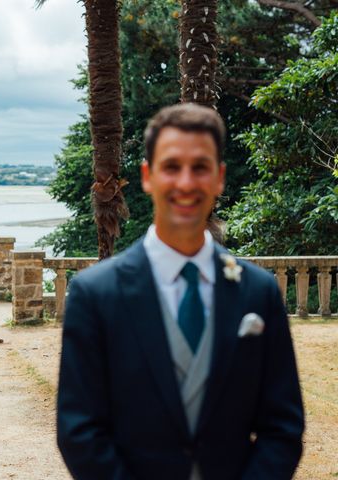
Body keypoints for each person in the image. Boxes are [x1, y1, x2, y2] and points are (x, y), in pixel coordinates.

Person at [57, 104, 304, 479]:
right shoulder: (95, 295)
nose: (186, 182)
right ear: (147, 176)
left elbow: (283, 428)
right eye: (172, 167)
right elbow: (79, 430)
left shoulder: (259, 291)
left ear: (219, 177)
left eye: (200, 167)